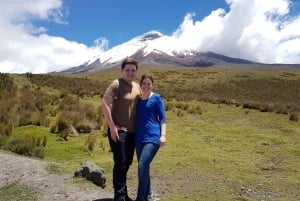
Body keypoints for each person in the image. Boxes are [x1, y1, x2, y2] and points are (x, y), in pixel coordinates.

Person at [101, 57, 141, 201]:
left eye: (133, 70)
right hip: (119, 131)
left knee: (127, 163)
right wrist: (112, 127)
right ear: (122, 70)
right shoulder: (116, 84)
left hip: (132, 132)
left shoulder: (137, 86)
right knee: (120, 163)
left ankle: (124, 195)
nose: (130, 73)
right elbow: (104, 105)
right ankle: (119, 197)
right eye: (127, 70)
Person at [134, 74, 167, 201]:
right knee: (145, 167)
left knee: (142, 166)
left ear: (152, 85)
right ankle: (147, 195)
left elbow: (163, 118)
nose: (146, 86)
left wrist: (163, 135)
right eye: (144, 83)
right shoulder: (138, 99)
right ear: (140, 84)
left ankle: (140, 197)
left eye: (149, 83)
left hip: (153, 137)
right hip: (139, 138)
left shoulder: (156, 98)